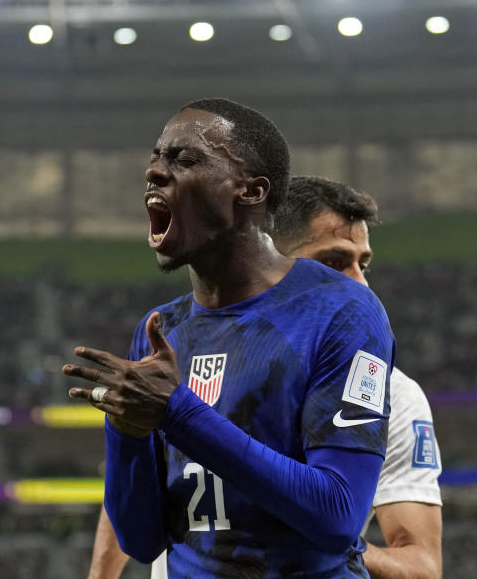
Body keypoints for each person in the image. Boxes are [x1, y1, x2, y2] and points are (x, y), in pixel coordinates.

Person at [64, 99, 395, 577]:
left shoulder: (341, 311)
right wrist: (127, 434)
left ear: (251, 190)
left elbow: (338, 516)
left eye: (184, 159)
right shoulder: (161, 330)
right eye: (157, 158)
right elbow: (142, 540)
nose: (155, 172)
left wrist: (178, 412)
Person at [85, 176, 443, 579]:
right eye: (333, 262)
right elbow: (137, 481)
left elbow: (421, 566)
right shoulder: (174, 347)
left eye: (363, 263)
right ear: (271, 254)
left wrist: (323, 535)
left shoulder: (393, 392)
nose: (359, 281)